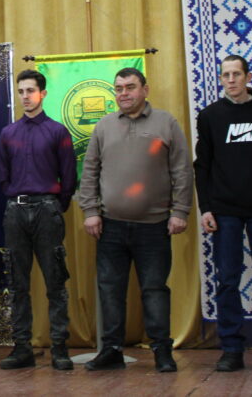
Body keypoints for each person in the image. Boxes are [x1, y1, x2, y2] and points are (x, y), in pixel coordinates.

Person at [79, 68, 192, 372]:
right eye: (118, 88)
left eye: (130, 87)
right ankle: (112, 351)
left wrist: (180, 211)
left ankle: (162, 351)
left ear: (145, 89)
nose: (124, 93)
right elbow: (89, 171)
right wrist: (90, 211)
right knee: (110, 290)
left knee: (154, 290)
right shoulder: (103, 126)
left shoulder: (166, 123)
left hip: (154, 227)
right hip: (109, 226)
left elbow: (182, 170)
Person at [194, 55, 252, 372]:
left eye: (237, 74)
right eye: (226, 75)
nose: (231, 80)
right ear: (221, 79)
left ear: (248, 77)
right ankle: (231, 349)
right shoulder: (210, 116)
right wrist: (206, 208)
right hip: (224, 212)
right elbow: (202, 166)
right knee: (227, 281)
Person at [0, 70, 76, 371]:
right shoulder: (8, 133)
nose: (25, 96)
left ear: (42, 93)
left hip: (47, 210)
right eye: (21, 91)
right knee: (18, 284)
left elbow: (68, 177)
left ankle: (60, 348)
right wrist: (16, 198)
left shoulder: (57, 131)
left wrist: (54, 205)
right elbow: (2, 176)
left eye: (30, 90)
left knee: (55, 282)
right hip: (15, 211)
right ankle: (22, 348)